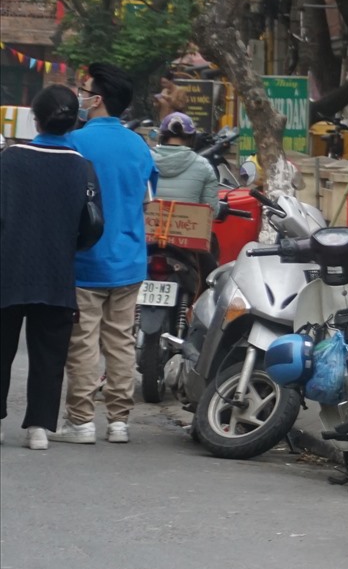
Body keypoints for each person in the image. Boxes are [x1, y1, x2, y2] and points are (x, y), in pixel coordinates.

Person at [55, 63, 156, 445]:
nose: (79, 96)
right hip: (129, 259)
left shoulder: (74, 143)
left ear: (96, 99)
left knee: (82, 341)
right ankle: (119, 422)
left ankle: (81, 421)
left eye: (84, 90)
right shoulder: (140, 146)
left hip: (85, 261)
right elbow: (146, 200)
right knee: (121, 341)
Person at [0, 86, 103, 450]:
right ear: (74, 122)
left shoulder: (8, 159)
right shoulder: (82, 166)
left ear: (35, 118)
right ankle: (39, 429)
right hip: (57, 272)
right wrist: (67, 248)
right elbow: (93, 225)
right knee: (48, 353)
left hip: (7, 269)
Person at [152, 113, 219, 212]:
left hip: (149, 225)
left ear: (161, 136)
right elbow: (211, 212)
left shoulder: (145, 159)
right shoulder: (203, 166)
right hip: (187, 226)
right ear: (192, 138)